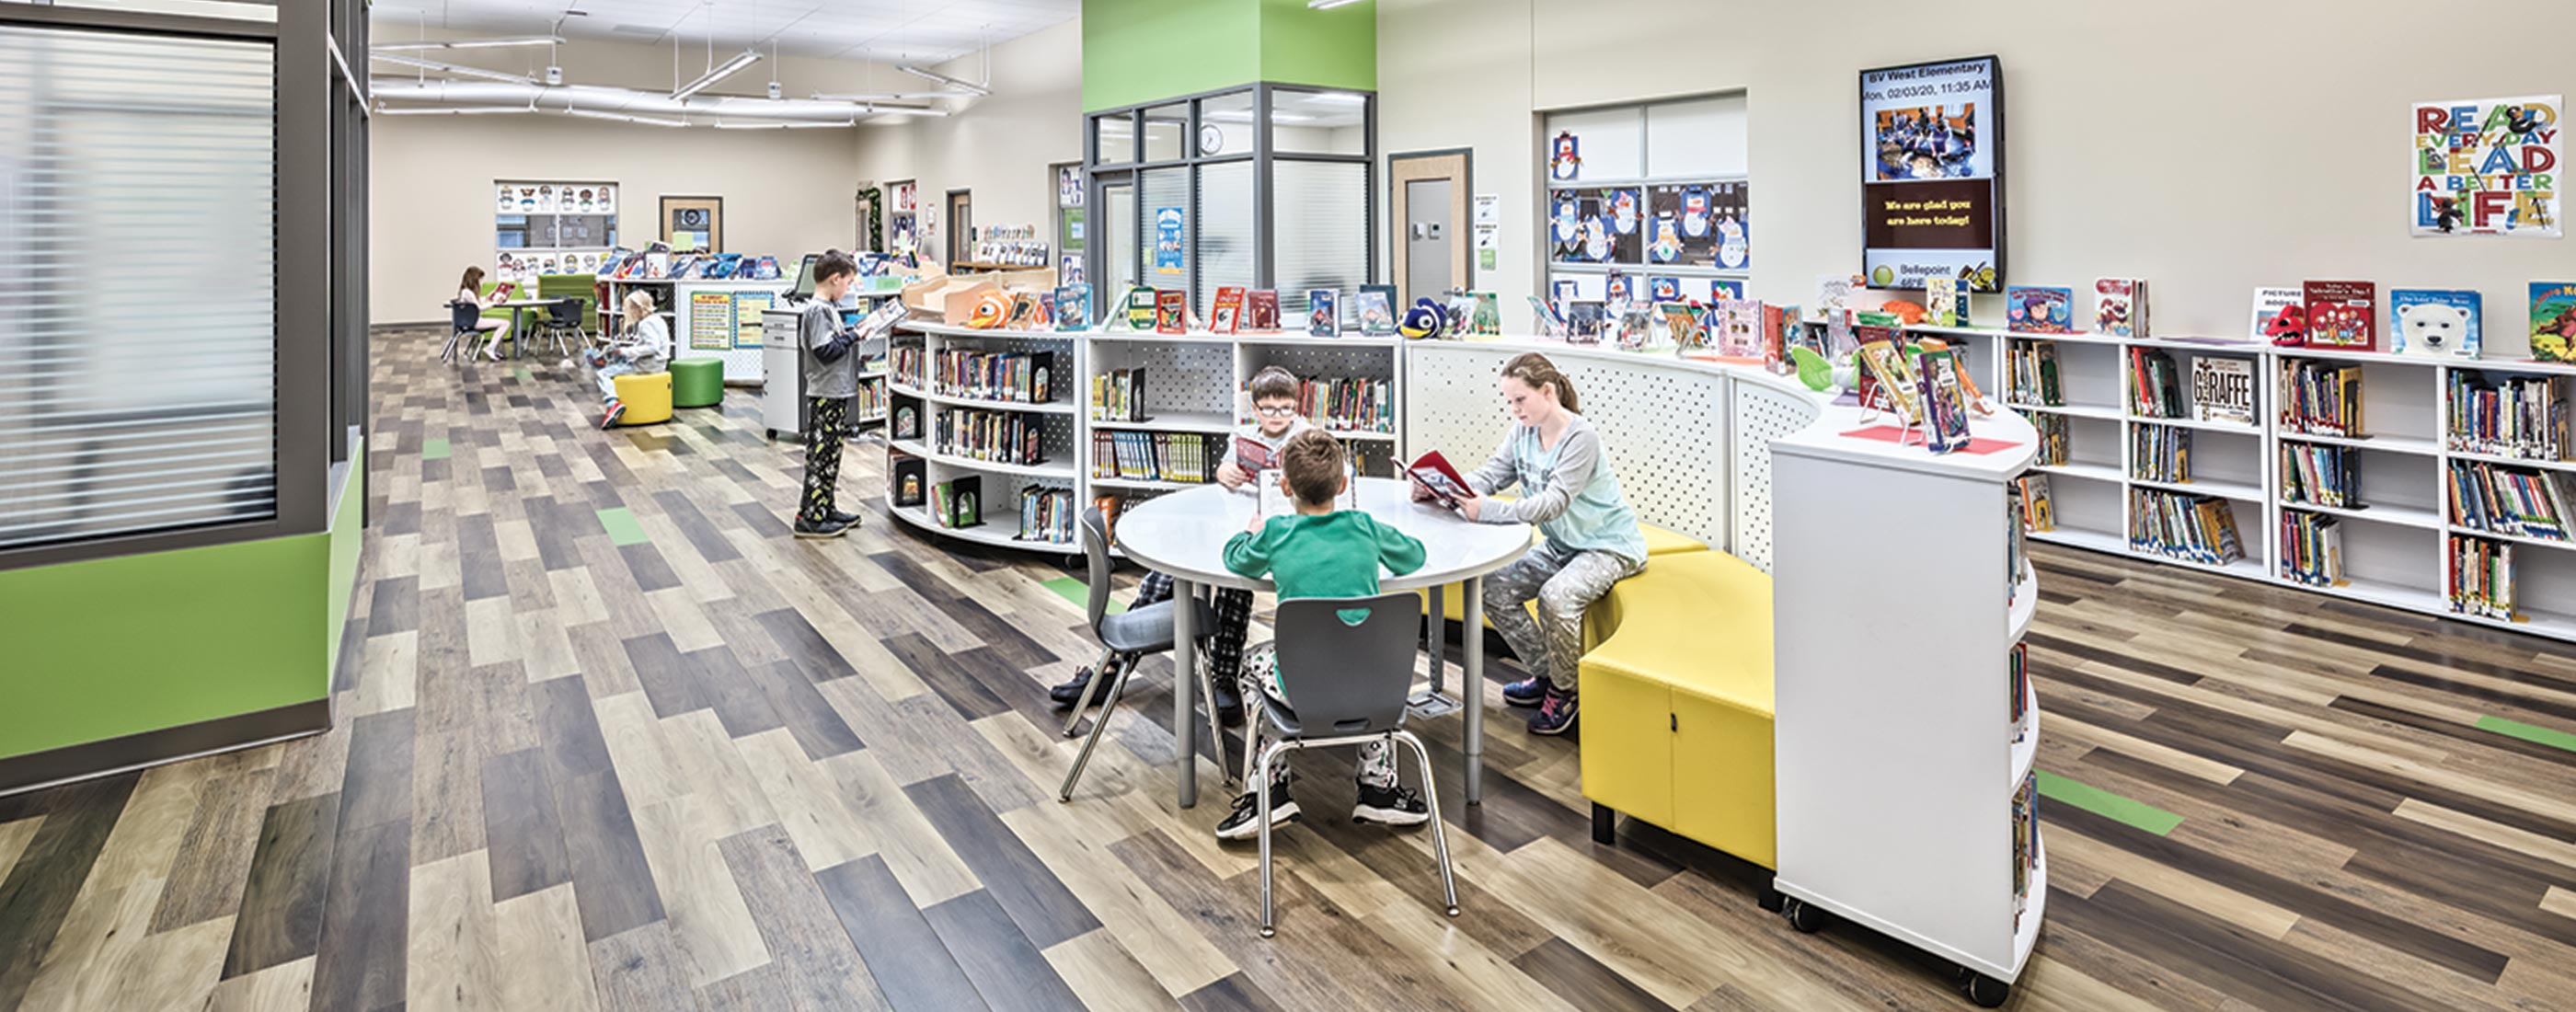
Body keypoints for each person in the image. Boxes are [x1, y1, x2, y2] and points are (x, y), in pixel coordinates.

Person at [1049, 365, 1314, 723]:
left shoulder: (1308, 436)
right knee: (1167, 572)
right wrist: (1225, 473)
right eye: (1268, 408)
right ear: (1255, 409)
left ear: (1297, 407)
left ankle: (1224, 676)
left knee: (1234, 586)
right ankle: (1110, 666)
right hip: (1235, 522)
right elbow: (1223, 471)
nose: (1277, 416)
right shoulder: (1244, 436)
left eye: (1285, 409)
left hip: (1285, 527)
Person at [1214, 429, 1432, 839]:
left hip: (1301, 685)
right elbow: (1413, 557)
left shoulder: (1277, 532)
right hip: (1377, 685)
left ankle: (1270, 788)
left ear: (1284, 486)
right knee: (1367, 655)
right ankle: (1378, 787)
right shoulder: (1364, 525)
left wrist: (1249, 530)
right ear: (1345, 485)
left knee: (1249, 665)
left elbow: (1237, 560)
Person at [1420, 351, 1648, 735]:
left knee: (1556, 598)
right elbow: (1494, 473)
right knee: (1494, 588)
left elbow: (1553, 503)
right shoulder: (1523, 431)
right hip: (1563, 545)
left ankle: (1567, 690)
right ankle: (1547, 676)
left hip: (1608, 546)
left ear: (1547, 391)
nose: (1514, 410)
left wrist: (1485, 510)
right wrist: (1447, 488)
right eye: (1509, 402)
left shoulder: (1581, 437)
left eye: (1520, 400)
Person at [793, 250, 865, 539]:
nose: (848, 289)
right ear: (835, 279)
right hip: (826, 391)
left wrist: (850, 332)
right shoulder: (818, 310)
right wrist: (855, 336)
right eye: (847, 282)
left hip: (834, 391)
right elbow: (825, 351)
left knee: (831, 454)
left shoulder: (827, 309)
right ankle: (810, 517)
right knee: (821, 456)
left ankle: (825, 507)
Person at [588, 290, 670, 429]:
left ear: (638, 309)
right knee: (616, 360)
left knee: (603, 373)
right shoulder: (658, 319)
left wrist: (625, 351)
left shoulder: (645, 324)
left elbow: (652, 347)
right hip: (659, 363)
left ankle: (612, 403)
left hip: (647, 365)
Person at [454, 266, 512, 362]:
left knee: (503, 323)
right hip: (474, 322)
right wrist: (494, 303)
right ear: (474, 279)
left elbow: (476, 302)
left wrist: (488, 297)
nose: (481, 282)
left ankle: (492, 348)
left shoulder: (466, 292)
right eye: (480, 279)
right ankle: (490, 348)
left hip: (471, 320)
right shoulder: (468, 292)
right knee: (505, 323)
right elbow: (479, 308)